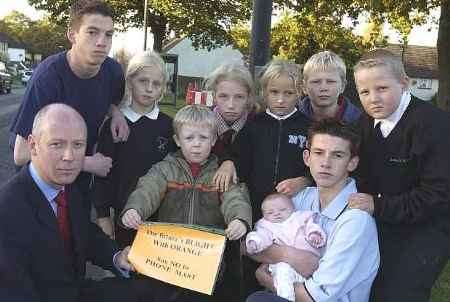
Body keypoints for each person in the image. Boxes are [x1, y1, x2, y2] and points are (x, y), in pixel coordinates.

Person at [0, 104, 142, 302]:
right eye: (57, 144)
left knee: (145, 291)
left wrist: (116, 257)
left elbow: (83, 232)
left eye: (77, 145)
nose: (69, 157)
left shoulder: (67, 186)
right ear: (32, 145)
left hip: (76, 289)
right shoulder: (7, 211)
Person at [120, 104, 252, 302]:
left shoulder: (221, 173)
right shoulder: (165, 168)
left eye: (203, 138)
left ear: (214, 140)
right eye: (189, 138)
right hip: (166, 256)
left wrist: (239, 220)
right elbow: (147, 190)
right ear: (177, 140)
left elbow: (235, 198)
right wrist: (134, 209)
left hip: (206, 260)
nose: (197, 144)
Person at [348, 49, 450, 302]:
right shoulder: (363, 125)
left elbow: (438, 195)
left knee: (399, 293)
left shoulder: (436, 126)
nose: (373, 99)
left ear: (405, 83)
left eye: (382, 88)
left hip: (427, 228)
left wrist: (378, 205)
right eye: (364, 92)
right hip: (379, 221)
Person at [247, 119, 380, 302]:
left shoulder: (356, 220)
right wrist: (289, 255)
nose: (325, 163)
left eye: (337, 155)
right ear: (307, 158)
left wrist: (267, 279)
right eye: (319, 153)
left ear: (352, 163)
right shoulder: (301, 198)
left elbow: (312, 298)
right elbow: (253, 244)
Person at [10, 0, 128, 195]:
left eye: (108, 34)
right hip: (40, 183)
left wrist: (116, 113)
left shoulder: (113, 72)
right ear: (72, 35)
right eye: (92, 32)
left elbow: (106, 100)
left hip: (77, 182)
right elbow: (21, 155)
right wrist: (88, 163)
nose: (102, 42)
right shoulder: (48, 78)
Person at [233, 59, 311, 297]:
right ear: (264, 92)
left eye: (288, 93)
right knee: (252, 263)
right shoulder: (254, 126)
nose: (280, 99)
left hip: (293, 213)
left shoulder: (307, 127)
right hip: (257, 208)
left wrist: (304, 180)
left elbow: (317, 166)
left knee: (284, 268)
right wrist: (229, 162)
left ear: (299, 93)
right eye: (274, 92)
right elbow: (238, 159)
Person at [92, 50, 176, 247]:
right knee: (126, 268)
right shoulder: (115, 125)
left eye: (156, 84)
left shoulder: (169, 126)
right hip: (124, 217)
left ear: (163, 87)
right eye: (143, 81)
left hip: (162, 218)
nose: (149, 89)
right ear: (130, 81)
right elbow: (103, 174)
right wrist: (103, 215)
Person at [246, 193, 326, 302]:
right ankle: (285, 299)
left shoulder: (301, 217)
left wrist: (315, 235)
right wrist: (254, 242)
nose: (277, 214)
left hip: (309, 266)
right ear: (263, 215)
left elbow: (311, 226)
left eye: (282, 210)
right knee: (283, 273)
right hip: (281, 265)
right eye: (270, 212)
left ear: (293, 209)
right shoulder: (266, 225)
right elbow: (261, 236)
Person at [204, 63, 257, 192]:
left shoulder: (258, 127)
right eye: (223, 96)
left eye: (239, 97)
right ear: (214, 96)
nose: (231, 105)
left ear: (248, 97)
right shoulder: (201, 124)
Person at [299, 50, 361, 123]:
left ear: (342, 86)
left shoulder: (360, 122)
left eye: (330, 81)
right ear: (304, 87)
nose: (323, 88)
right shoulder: (291, 118)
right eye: (316, 82)